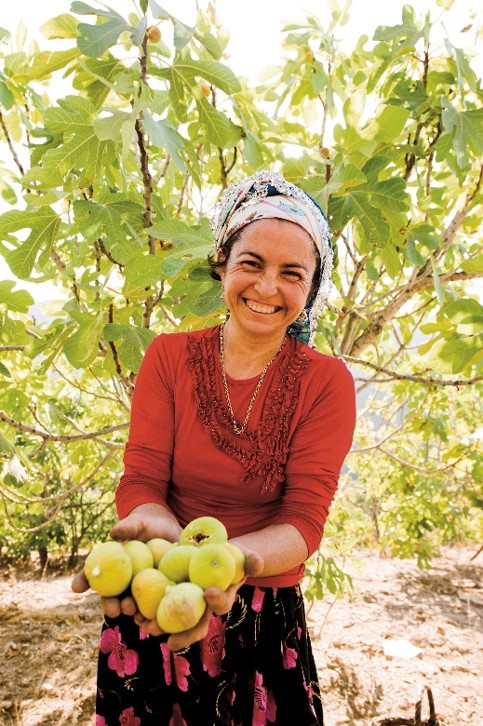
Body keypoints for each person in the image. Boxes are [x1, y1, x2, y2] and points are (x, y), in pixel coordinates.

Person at [72, 169, 356, 725]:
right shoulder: (168, 357)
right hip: (157, 597)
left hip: (257, 614)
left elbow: (304, 521)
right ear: (222, 263)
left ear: (311, 288)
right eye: (251, 263)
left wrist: (225, 567)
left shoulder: (326, 383)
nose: (267, 287)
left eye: (291, 273)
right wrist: (174, 550)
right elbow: (142, 481)